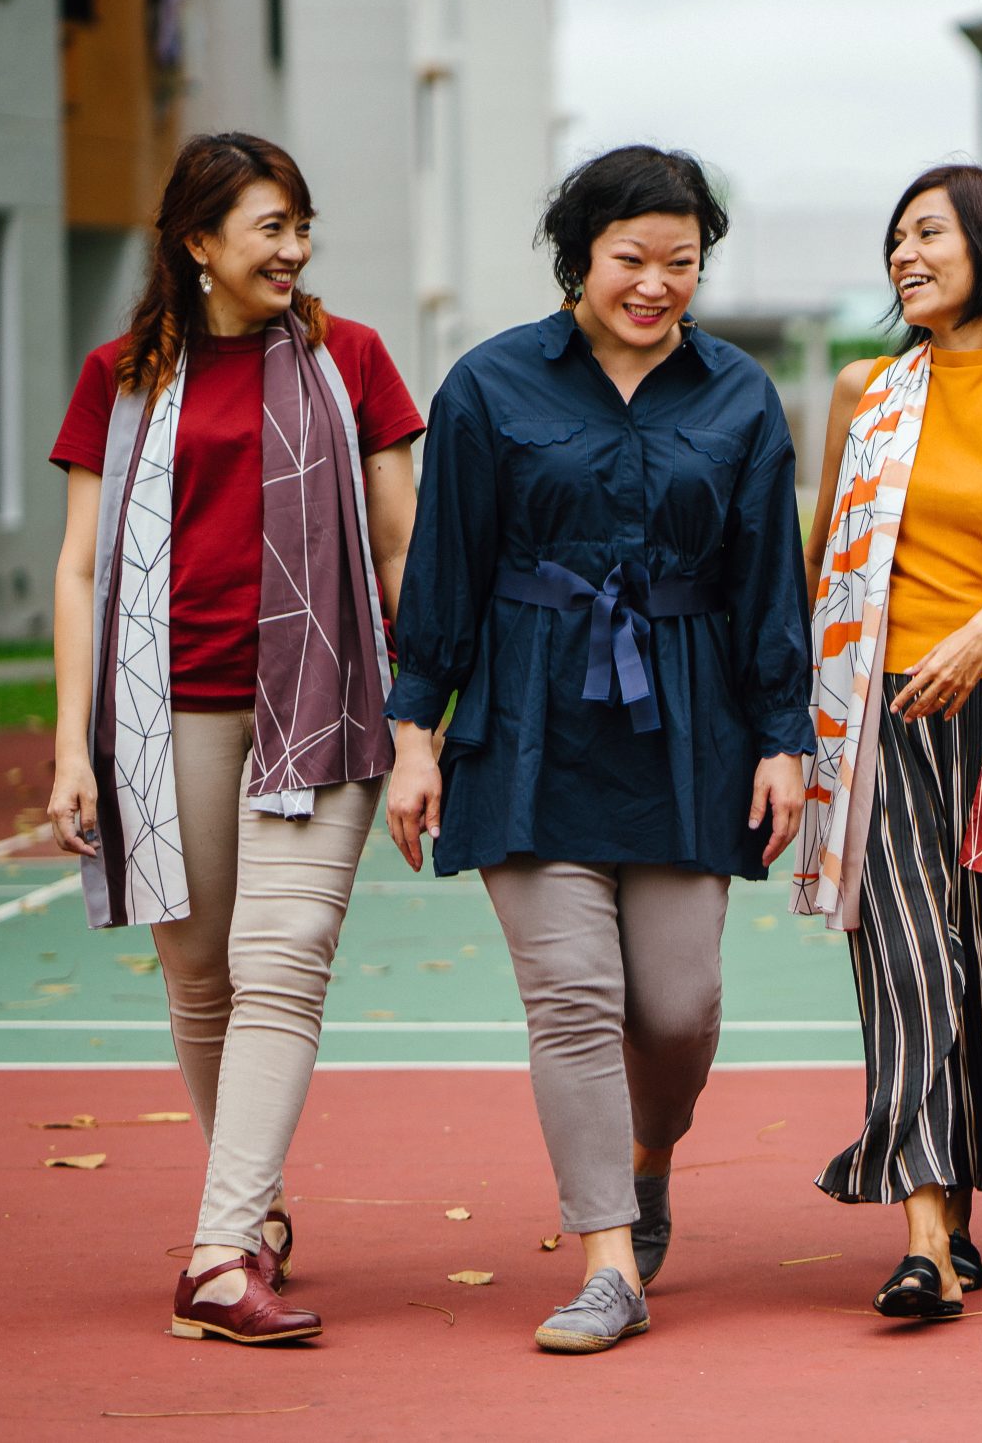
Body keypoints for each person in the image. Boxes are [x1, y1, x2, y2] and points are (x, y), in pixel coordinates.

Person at [383, 146, 812, 1354]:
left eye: (681, 262)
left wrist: (784, 739)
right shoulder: (488, 387)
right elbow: (446, 574)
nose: (657, 284)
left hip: (688, 728)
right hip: (527, 722)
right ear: (578, 259)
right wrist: (418, 733)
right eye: (633, 258)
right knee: (573, 1000)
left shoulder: (737, 397)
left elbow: (767, 579)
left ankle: (646, 1154)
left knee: (677, 1007)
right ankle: (608, 1263)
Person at [46, 132, 421, 1345]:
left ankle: (216, 1254)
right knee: (200, 980)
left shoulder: (347, 357)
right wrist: (69, 749)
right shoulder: (121, 374)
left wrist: (418, 716)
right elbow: (81, 565)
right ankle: (248, 1216)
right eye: (270, 226)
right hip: (162, 716)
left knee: (286, 950)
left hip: (320, 699)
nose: (295, 248)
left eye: (302, 225)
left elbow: (401, 548)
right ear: (198, 243)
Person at [797, 164, 982, 1321]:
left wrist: (979, 636)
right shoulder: (860, 389)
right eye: (897, 238)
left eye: (929, 234)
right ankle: (925, 1234)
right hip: (874, 714)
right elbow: (825, 551)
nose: (904, 256)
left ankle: (962, 1206)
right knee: (908, 959)